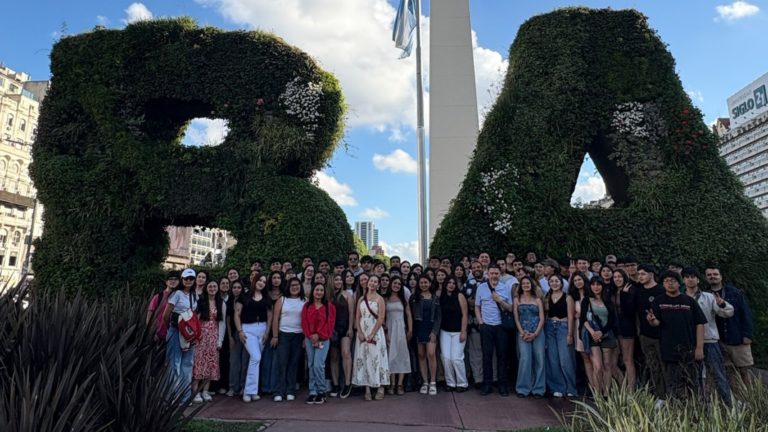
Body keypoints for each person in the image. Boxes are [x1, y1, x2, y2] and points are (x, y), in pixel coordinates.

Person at [647, 271, 706, 402]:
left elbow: (700, 323)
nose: (670, 283)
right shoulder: (659, 301)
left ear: (679, 283)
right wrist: (651, 320)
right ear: (663, 284)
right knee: (672, 383)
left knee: (693, 382)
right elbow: (657, 322)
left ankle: (697, 409)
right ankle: (675, 411)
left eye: (673, 281)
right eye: (667, 281)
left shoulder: (689, 301)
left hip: (689, 348)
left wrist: (699, 347)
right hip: (668, 349)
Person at [682, 267, 734, 405]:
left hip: (709, 340)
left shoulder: (709, 296)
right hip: (689, 342)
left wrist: (722, 304)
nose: (690, 279)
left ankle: (729, 404)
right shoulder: (680, 298)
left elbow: (727, 312)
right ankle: (700, 405)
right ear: (683, 280)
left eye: (693, 276)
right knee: (694, 376)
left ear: (698, 279)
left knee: (718, 374)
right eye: (687, 276)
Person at [706, 265, 755, 387]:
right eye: (709, 275)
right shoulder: (705, 295)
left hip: (738, 337)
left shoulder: (735, 293)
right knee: (729, 371)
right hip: (720, 339)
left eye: (715, 274)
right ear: (706, 278)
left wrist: (747, 334)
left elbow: (746, 313)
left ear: (721, 277)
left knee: (744, 370)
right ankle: (736, 400)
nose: (713, 277)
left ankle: (751, 398)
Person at [475, 264, 513, 397]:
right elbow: (477, 306)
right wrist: (481, 323)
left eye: (496, 273)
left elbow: (510, 308)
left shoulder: (505, 288)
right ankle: (487, 384)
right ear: (488, 274)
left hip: (501, 326)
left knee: (502, 356)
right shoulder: (481, 288)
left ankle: (502, 385)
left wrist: (499, 300)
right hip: (487, 326)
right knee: (487, 356)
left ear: (499, 274)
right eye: (492, 273)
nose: (494, 276)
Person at [235, 274, 272, 403]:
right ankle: (248, 390)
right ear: (254, 281)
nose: (261, 283)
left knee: (254, 360)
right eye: (260, 280)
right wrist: (240, 331)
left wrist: (267, 332)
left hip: (262, 329)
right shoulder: (244, 297)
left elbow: (270, 316)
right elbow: (237, 314)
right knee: (256, 357)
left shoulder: (267, 298)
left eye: (264, 281)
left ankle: (252, 390)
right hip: (248, 329)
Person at [163, 268, 198, 402]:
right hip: (176, 330)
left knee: (187, 364)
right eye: (186, 279)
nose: (188, 281)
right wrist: (172, 328)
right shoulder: (176, 294)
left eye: (191, 279)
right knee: (174, 364)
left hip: (188, 333)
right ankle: (171, 397)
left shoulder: (194, 295)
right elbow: (166, 315)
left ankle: (184, 397)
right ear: (182, 280)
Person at [353, 275, 390, 400]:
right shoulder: (361, 299)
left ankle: (380, 386)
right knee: (363, 357)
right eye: (371, 281)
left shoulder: (380, 299)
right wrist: (360, 332)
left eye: (375, 281)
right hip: (363, 329)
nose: (372, 283)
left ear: (378, 285)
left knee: (377, 357)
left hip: (375, 331)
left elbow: (380, 318)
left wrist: (372, 334)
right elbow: (357, 316)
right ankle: (367, 387)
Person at [271, 277, 307, 402]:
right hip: (283, 335)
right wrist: (275, 336)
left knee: (293, 363)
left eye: (297, 285)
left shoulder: (305, 300)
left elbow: (307, 321)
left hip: (299, 336)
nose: (295, 287)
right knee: (281, 363)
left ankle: (290, 390)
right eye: (292, 285)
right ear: (288, 287)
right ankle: (278, 391)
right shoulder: (282, 300)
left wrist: (305, 337)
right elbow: (275, 318)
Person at [634, 264, 666, 400]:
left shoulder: (661, 290)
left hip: (662, 335)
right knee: (653, 366)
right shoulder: (638, 291)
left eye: (643, 274)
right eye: (639, 274)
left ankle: (673, 394)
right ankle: (660, 396)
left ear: (651, 274)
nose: (640, 276)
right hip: (645, 335)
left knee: (665, 366)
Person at [581, 276, 617, 397]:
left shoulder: (608, 301)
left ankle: (606, 392)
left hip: (606, 334)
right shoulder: (586, 300)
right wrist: (592, 332)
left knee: (607, 364)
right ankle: (597, 393)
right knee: (597, 366)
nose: (596, 287)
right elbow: (583, 318)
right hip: (592, 335)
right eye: (593, 284)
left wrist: (602, 332)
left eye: (598, 284)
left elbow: (612, 320)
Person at [192, 280, 226, 403]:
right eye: (210, 286)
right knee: (198, 363)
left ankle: (205, 391)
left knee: (211, 363)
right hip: (200, 336)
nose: (212, 288)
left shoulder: (221, 303)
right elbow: (195, 320)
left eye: (214, 286)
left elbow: (222, 323)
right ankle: (195, 392)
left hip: (213, 336)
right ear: (206, 288)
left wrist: (220, 340)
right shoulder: (201, 302)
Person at [544, 274, 578, 398]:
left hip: (563, 327)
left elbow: (571, 316)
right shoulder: (547, 297)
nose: (554, 283)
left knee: (566, 359)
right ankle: (557, 387)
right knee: (553, 359)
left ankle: (571, 388)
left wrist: (570, 334)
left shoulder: (567, 297)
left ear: (561, 283)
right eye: (551, 281)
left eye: (556, 281)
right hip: (549, 327)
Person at [302, 282, 336, 404]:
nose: (319, 292)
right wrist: (311, 337)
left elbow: (330, 324)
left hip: (323, 338)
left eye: (321, 290)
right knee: (311, 364)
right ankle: (313, 391)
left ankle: (322, 390)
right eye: (317, 290)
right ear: (313, 291)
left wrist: (319, 336)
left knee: (318, 365)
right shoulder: (307, 306)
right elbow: (304, 322)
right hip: (310, 338)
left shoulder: (329, 307)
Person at [514, 276, 546, 398]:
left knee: (540, 359)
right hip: (523, 332)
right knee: (525, 359)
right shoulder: (517, 299)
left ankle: (539, 389)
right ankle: (523, 388)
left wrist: (536, 333)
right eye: (524, 283)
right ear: (520, 286)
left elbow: (542, 318)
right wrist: (522, 332)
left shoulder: (537, 300)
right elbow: (516, 318)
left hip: (537, 331)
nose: (526, 285)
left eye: (528, 283)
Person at [411, 275, 442, 396]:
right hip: (419, 329)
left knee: (431, 353)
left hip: (431, 329)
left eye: (426, 282)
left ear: (430, 283)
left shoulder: (435, 298)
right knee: (421, 355)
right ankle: (425, 382)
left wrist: (434, 331)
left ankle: (433, 381)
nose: (423, 285)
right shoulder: (414, 298)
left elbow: (439, 317)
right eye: (421, 283)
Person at [570, 271, 597, 394]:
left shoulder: (591, 294)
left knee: (594, 358)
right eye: (575, 280)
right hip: (578, 327)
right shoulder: (573, 296)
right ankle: (592, 387)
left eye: (579, 279)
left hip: (591, 327)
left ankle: (599, 387)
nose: (577, 282)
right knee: (585, 357)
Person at [328, 273, 355, 399]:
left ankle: (348, 383)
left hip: (344, 326)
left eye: (340, 280)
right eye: (336, 280)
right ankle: (336, 384)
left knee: (346, 353)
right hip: (332, 328)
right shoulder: (327, 295)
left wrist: (350, 328)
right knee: (334, 357)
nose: (339, 282)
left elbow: (351, 312)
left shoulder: (347, 295)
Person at [439, 276, 468, 392]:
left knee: (457, 358)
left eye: (453, 283)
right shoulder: (441, 297)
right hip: (444, 331)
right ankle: (450, 383)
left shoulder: (460, 296)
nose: (451, 285)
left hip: (458, 331)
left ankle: (462, 383)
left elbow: (465, 315)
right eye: (449, 283)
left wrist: (463, 332)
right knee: (446, 358)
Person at [386, 276, 413, 395]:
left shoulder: (404, 299)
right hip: (389, 328)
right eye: (394, 283)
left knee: (402, 354)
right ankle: (392, 383)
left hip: (401, 329)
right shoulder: (385, 299)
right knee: (390, 354)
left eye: (399, 284)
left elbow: (409, 315)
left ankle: (400, 383)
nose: (396, 285)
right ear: (391, 284)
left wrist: (410, 330)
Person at [613, 269, 637, 390]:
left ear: (624, 277)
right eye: (615, 277)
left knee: (628, 359)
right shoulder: (612, 291)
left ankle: (631, 390)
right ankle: (623, 386)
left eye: (619, 276)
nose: (617, 279)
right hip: (614, 328)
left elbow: (629, 310)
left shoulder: (630, 289)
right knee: (612, 363)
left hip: (626, 328)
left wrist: (624, 294)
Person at [462, 261, 485, 387]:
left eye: (478, 267)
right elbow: (463, 300)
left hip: (489, 323)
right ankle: (478, 378)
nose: (476, 269)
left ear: (483, 268)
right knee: (476, 352)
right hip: (473, 324)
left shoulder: (489, 282)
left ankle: (493, 377)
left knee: (490, 352)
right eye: (474, 267)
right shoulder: (467, 284)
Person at [260, 272, 283, 395]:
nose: (276, 280)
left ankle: (274, 386)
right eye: (274, 277)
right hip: (265, 329)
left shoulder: (285, 295)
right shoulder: (265, 294)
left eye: (278, 277)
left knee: (276, 360)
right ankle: (265, 386)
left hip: (281, 330)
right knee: (266, 358)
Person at [227, 280, 249, 396]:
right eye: (234, 287)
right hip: (234, 334)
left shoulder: (246, 301)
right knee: (234, 361)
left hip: (246, 333)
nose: (236, 289)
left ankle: (243, 386)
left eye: (239, 287)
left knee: (245, 360)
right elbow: (228, 321)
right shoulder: (229, 302)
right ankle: (233, 387)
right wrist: (230, 337)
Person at [213, 277, 232, 395]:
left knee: (226, 361)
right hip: (216, 332)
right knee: (216, 360)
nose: (225, 285)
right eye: (222, 283)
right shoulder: (215, 299)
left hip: (228, 333)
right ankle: (215, 386)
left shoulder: (232, 299)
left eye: (227, 283)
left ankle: (225, 384)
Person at [148, 271, 179, 343]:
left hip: (174, 336)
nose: (173, 281)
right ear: (166, 282)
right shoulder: (158, 297)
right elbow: (149, 315)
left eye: (176, 279)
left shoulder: (180, 297)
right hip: (158, 336)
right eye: (171, 279)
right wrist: (152, 332)